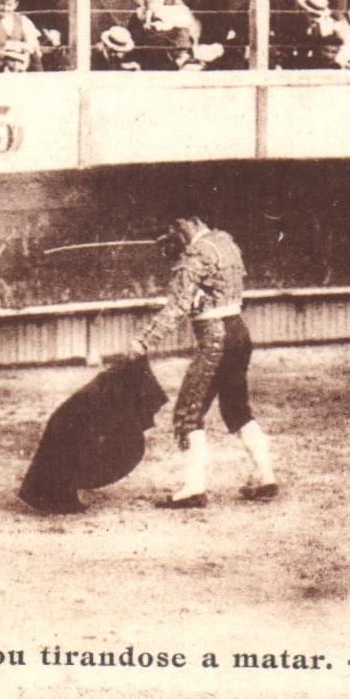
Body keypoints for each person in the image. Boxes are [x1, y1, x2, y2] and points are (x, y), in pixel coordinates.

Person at [130, 196, 277, 508]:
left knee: (187, 413)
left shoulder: (195, 254)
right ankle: (266, 476)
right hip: (239, 332)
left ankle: (193, 488)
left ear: (188, 221)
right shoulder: (227, 243)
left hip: (216, 339)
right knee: (237, 409)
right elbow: (217, 289)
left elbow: (178, 306)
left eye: (176, 225)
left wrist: (143, 341)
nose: (174, 231)